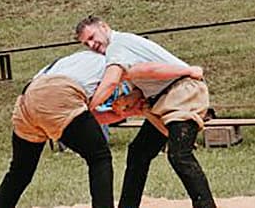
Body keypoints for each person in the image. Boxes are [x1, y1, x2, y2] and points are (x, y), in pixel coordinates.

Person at [0, 49, 202, 208]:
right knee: (99, 158)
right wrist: (188, 70)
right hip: (59, 94)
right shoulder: (114, 62)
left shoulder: (74, 60)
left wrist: (126, 113)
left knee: (19, 171)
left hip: (27, 100)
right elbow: (88, 102)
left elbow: (81, 118)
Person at [75, 16, 216, 208]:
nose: (92, 44)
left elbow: (110, 82)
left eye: (92, 37)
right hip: (164, 100)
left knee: (179, 155)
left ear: (104, 27)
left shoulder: (118, 46)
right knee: (138, 152)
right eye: (86, 43)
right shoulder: (121, 50)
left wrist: (87, 107)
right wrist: (127, 100)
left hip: (182, 92)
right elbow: (148, 76)